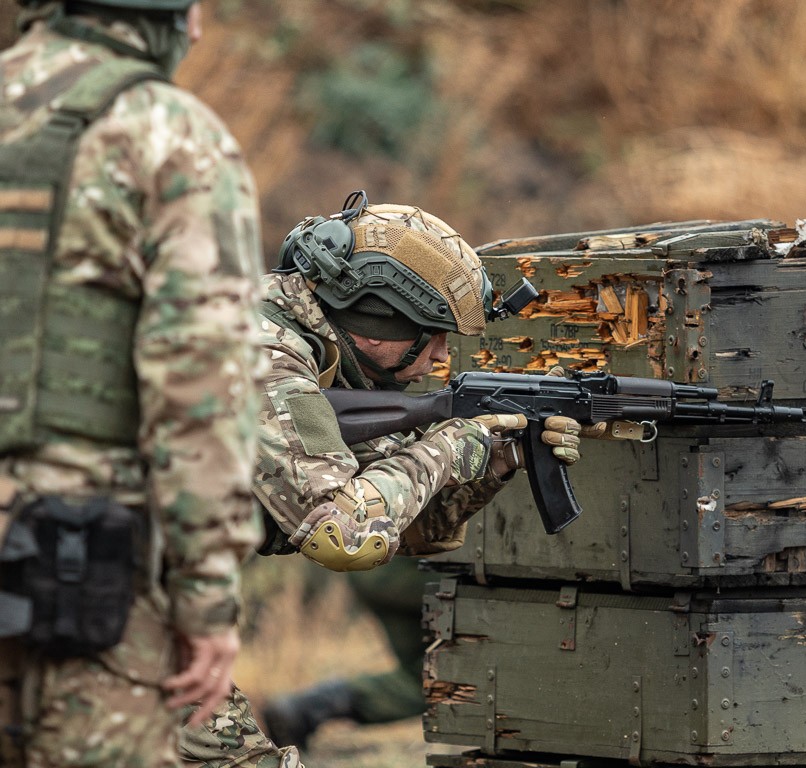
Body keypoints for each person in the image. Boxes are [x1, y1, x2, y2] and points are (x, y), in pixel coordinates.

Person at [178, 198, 587, 767]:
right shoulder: (263, 358)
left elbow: (411, 528)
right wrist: (448, 447)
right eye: (430, 334)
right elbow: (345, 536)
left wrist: (495, 461)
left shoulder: (311, 356)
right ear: (374, 315)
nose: (441, 356)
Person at [0, 1, 263, 766]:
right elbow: (201, 388)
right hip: (81, 570)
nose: (202, 27)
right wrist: (207, 599)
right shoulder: (171, 135)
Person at [261, 557, 433, 752]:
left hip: (370, 563)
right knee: (443, 677)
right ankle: (309, 708)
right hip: (406, 568)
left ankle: (303, 710)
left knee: (431, 675)